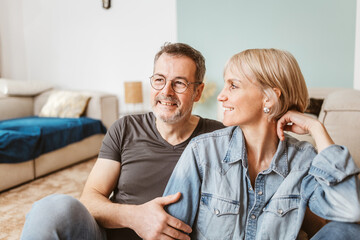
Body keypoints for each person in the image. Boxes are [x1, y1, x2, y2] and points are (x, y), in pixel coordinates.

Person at [20, 43, 224, 240]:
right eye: (159, 80)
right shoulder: (125, 128)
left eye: (179, 83)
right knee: (51, 208)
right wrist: (136, 217)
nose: (166, 91)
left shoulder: (219, 137)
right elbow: (91, 199)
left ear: (197, 91)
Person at [163, 48, 360, 239]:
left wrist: (316, 128)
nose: (221, 96)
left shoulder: (303, 160)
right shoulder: (202, 152)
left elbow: (350, 210)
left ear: (268, 98)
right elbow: (169, 231)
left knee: (348, 231)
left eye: (233, 85)